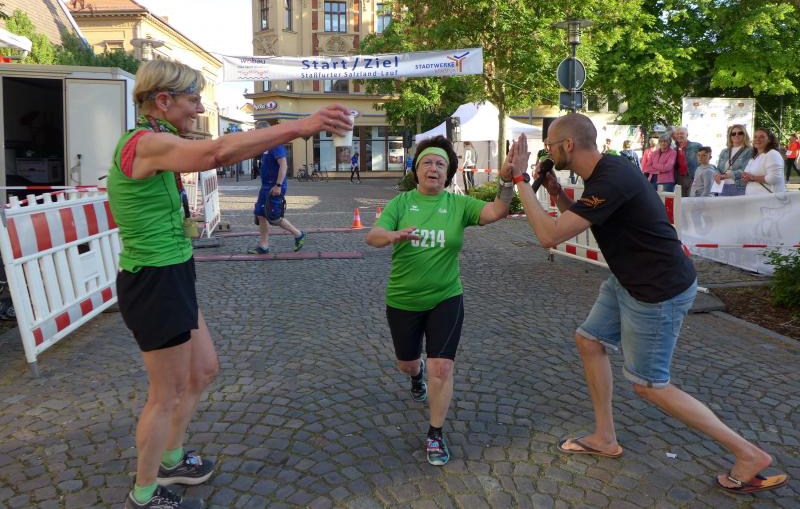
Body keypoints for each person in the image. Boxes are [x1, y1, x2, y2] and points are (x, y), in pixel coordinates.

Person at [108, 59, 353, 509]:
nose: (200, 109)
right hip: (154, 282)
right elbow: (217, 153)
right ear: (162, 100)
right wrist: (301, 127)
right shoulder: (146, 144)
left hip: (173, 274)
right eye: (193, 99)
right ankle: (144, 493)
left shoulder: (157, 139)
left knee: (203, 371)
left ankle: (172, 459)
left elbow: (211, 152)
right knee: (165, 395)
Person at [506, 113, 788, 495]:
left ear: (568, 145)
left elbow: (548, 236)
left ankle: (748, 454)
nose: (547, 152)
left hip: (657, 290)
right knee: (589, 340)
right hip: (629, 280)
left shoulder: (611, 178)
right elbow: (586, 216)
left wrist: (521, 180)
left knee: (650, 385)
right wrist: (556, 193)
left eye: (550, 146)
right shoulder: (607, 171)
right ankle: (605, 437)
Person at [366, 135, 513, 466]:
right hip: (403, 299)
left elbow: (497, 211)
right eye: (427, 163)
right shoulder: (401, 204)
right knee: (407, 363)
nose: (433, 168)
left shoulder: (458, 205)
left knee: (442, 366)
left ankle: (435, 433)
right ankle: (415, 375)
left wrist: (506, 181)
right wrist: (392, 235)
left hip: (446, 297)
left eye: (440, 164)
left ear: (448, 173)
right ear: (417, 170)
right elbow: (372, 236)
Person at [249, 128, 306, 255]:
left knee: (273, 217)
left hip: (274, 187)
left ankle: (298, 234)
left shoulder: (275, 144)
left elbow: (283, 165)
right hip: (266, 186)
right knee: (260, 214)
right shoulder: (265, 145)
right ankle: (264, 246)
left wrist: (278, 185)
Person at [743, 128, 786, 195]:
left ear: (769, 140)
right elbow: (748, 174)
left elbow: (774, 178)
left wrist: (752, 178)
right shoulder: (755, 156)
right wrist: (745, 177)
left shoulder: (772, 154)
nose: (757, 139)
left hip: (768, 199)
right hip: (753, 198)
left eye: (762, 137)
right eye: (755, 137)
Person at [714, 124, 752, 196]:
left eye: (740, 133)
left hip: (739, 187)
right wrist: (717, 175)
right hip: (722, 187)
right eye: (733, 134)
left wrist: (727, 175)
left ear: (745, 135)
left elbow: (745, 170)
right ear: (730, 136)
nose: (736, 135)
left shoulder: (749, 150)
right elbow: (718, 168)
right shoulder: (724, 151)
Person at [672, 126, 703, 196]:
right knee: (681, 200)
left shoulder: (696, 146)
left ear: (687, 135)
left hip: (693, 177)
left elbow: (704, 160)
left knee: (692, 199)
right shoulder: (674, 149)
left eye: (682, 133)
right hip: (680, 179)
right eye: (677, 134)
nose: (679, 135)